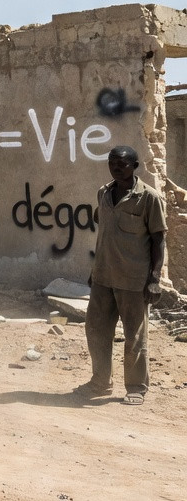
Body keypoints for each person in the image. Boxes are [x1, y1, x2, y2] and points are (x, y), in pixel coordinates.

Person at [77, 145, 167, 406]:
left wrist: (155, 279)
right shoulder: (103, 193)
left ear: (135, 166)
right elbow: (105, 234)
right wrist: (95, 270)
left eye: (122, 164)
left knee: (135, 337)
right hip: (103, 277)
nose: (116, 167)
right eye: (112, 162)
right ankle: (100, 381)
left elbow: (158, 240)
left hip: (133, 280)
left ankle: (136, 387)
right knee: (96, 329)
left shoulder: (149, 198)